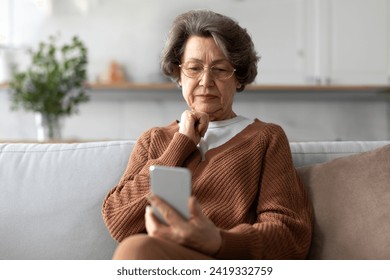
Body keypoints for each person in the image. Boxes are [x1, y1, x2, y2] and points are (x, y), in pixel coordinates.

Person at [102, 9, 313, 260]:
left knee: (137, 251)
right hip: (162, 261)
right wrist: (179, 146)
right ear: (179, 75)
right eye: (193, 68)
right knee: (136, 249)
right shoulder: (154, 139)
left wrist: (219, 241)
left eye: (220, 69)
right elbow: (118, 223)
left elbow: (289, 234)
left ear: (239, 77)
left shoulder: (265, 138)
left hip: (227, 263)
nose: (205, 81)